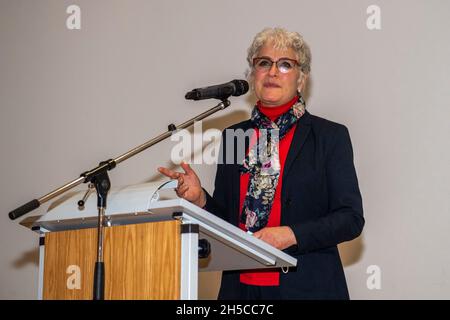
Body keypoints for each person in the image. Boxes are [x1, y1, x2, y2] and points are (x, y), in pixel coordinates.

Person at [158, 27, 364, 299]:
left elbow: (349, 219)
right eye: (264, 62)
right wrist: (200, 200)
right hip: (240, 290)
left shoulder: (329, 137)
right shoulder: (234, 136)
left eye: (286, 64)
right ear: (253, 74)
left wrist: (291, 235)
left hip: (307, 286)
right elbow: (227, 221)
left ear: (301, 79)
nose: (273, 71)